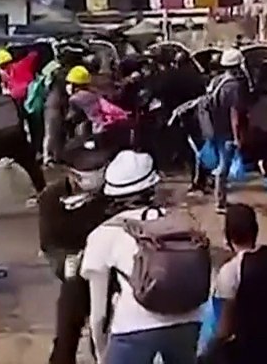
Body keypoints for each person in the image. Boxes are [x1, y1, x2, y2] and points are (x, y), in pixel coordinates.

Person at [80, 151, 200, 364]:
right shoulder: (180, 221)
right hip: (189, 322)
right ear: (153, 188)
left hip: (133, 329)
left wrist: (101, 354)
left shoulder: (103, 234)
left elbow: (98, 315)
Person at [38, 135, 117, 364]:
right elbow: (50, 245)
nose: (97, 174)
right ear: (71, 172)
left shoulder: (114, 193)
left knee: (107, 334)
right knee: (66, 333)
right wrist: (73, 266)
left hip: (112, 271)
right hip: (75, 272)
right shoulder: (52, 198)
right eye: (89, 169)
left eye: (100, 167)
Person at [200, 204, 267, 364]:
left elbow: (225, 330)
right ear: (256, 230)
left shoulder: (230, 271)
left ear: (227, 236)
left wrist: (208, 349)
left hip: (250, 352)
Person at [0, 67, 47, 196]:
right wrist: (32, 145)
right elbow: (25, 119)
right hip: (16, 139)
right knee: (34, 170)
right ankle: (44, 193)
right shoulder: (12, 100)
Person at [205, 48, 249, 213]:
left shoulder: (217, 81)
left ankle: (220, 198)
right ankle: (220, 202)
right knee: (223, 167)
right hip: (226, 131)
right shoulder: (234, 87)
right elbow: (234, 115)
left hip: (214, 126)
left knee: (219, 164)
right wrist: (237, 137)